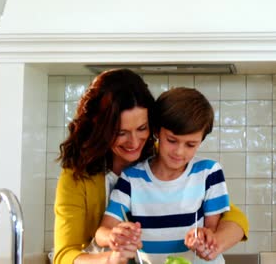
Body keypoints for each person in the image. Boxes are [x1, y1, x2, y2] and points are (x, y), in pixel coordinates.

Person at [54, 69, 248, 264]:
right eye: (121, 132)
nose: (134, 142)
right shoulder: (78, 177)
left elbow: (232, 217)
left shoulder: (167, 159)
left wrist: (212, 243)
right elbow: (64, 255)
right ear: (101, 129)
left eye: (141, 128)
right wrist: (111, 259)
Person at [95, 87, 229, 263]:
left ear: (201, 140)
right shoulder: (132, 178)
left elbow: (213, 231)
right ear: (157, 131)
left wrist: (204, 238)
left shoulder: (209, 173)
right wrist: (113, 236)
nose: (179, 152)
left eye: (191, 144)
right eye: (172, 140)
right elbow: (102, 232)